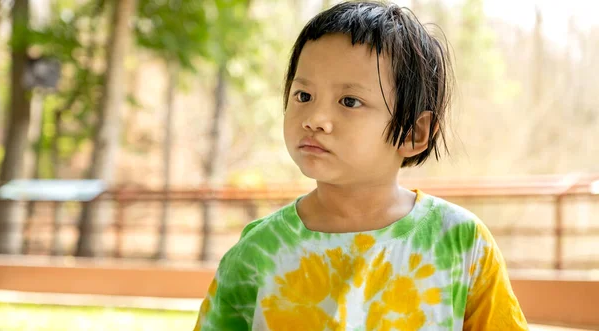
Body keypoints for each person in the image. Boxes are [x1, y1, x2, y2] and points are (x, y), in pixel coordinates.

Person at [194, 1, 528, 330]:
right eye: (303, 96)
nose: (315, 120)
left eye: (349, 101)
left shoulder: (461, 242)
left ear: (413, 132)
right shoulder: (258, 251)